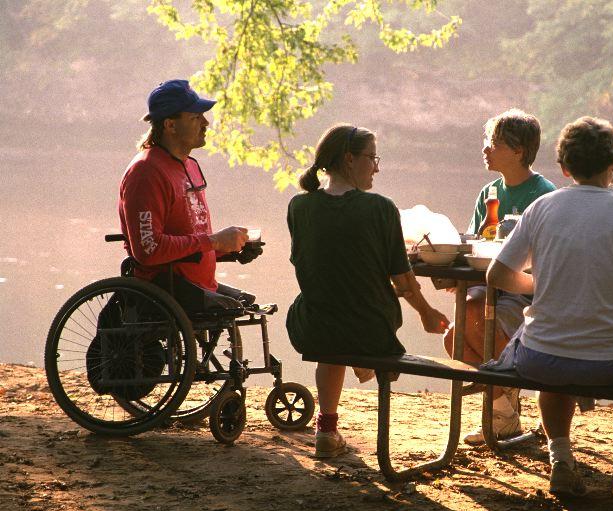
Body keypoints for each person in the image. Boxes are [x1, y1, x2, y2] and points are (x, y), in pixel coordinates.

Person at [487, 116, 613, 511]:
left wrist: (540, 287)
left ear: (563, 169)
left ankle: (561, 461)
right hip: (609, 361)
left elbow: (498, 275)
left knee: (550, 350)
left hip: (539, 359)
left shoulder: (542, 206)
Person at [286, 124, 450, 459]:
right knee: (357, 319)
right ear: (349, 159)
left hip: (313, 328)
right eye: (372, 158)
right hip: (370, 329)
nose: (376, 167)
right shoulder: (380, 208)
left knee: (330, 315)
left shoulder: (298, 207)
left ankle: (326, 429)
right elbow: (403, 282)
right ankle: (365, 361)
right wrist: (427, 313)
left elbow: (319, 267)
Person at [443, 109, 556, 445]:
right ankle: (505, 406)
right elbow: (475, 243)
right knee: (454, 337)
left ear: (518, 151)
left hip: (525, 291)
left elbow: (547, 258)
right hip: (489, 284)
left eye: (492, 143)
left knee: (476, 318)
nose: (485, 149)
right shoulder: (488, 193)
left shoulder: (543, 193)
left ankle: (505, 405)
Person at [118, 79, 262, 314]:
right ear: (170, 125)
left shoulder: (189, 166)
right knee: (237, 309)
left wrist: (230, 248)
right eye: (195, 117)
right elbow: (149, 250)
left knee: (250, 304)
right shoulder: (146, 171)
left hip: (197, 283)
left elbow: (191, 241)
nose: (206, 123)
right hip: (165, 289)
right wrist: (214, 241)